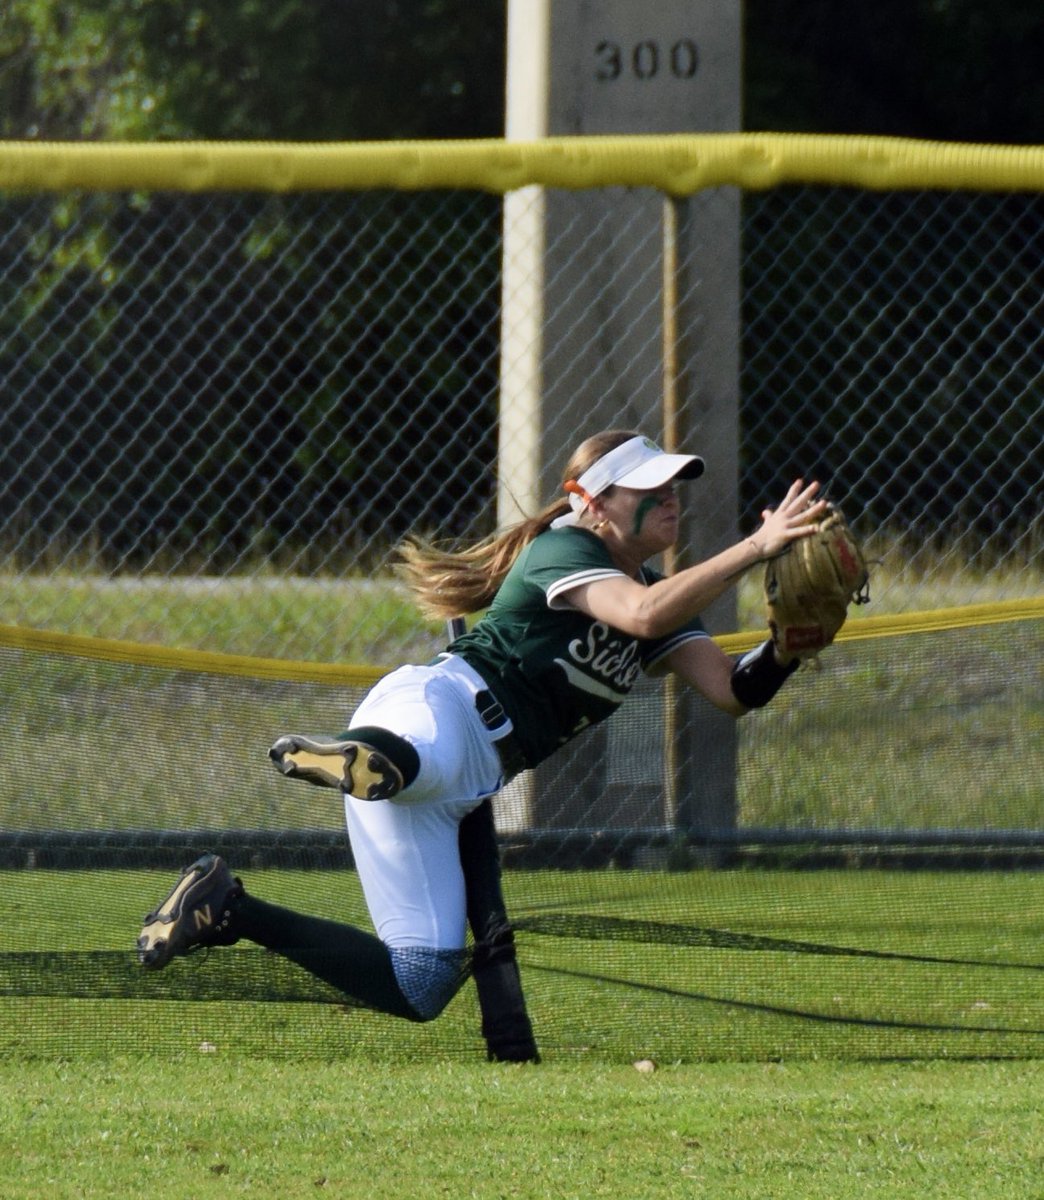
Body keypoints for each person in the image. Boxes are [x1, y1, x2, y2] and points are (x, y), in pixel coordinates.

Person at [137, 430, 825, 1038]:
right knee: (431, 758)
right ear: (591, 503)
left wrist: (786, 651)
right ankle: (367, 760)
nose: (670, 494)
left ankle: (228, 907)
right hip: (441, 707)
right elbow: (640, 614)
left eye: (673, 482)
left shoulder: (665, 597)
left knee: (422, 985)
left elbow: (733, 692)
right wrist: (757, 547)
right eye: (646, 485)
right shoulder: (567, 548)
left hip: (458, 786)